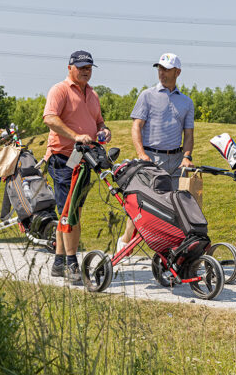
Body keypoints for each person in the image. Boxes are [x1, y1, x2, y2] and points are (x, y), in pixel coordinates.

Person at [43, 50, 111, 283]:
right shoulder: (59, 90)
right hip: (63, 157)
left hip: (85, 159)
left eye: (89, 67)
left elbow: (98, 121)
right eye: (81, 67)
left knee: (73, 211)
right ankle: (72, 263)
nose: (86, 71)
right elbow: (50, 118)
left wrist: (104, 131)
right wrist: (76, 135)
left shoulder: (92, 94)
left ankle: (59, 261)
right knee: (69, 211)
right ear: (70, 67)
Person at [117, 53, 195, 256]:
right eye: (159, 68)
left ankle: (173, 253)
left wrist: (187, 156)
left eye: (166, 69)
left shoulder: (186, 102)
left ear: (177, 72)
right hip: (151, 158)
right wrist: (141, 153)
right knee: (141, 204)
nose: (162, 73)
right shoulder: (147, 95)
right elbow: (136, 127)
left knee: (177, 206)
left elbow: (189, 134)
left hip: (176, 160)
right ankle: (125, 244)